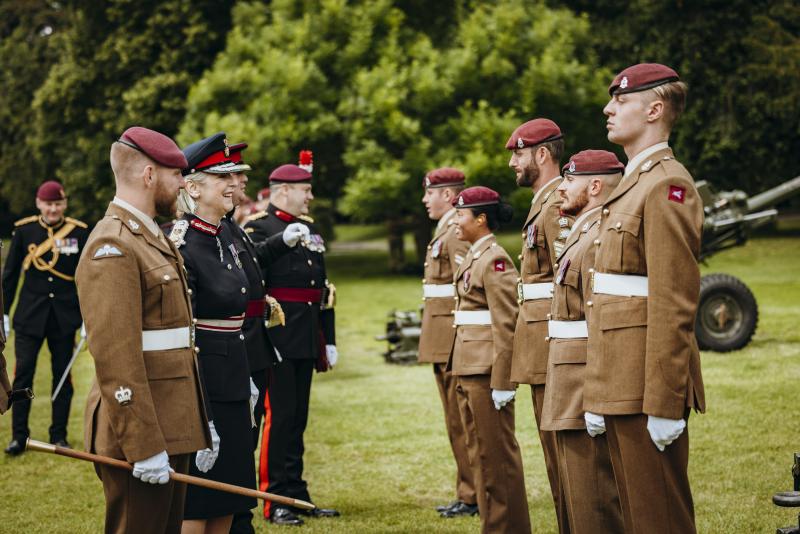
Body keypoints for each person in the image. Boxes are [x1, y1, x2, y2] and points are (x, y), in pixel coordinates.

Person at [583, 63, 705, 533]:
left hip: (644, 384)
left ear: (654, 110)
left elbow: (673, 299)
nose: (608, 109)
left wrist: (665, 400)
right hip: (619, 376)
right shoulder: (635, 182)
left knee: (659, 517)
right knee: (637, 514)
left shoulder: (666, 184)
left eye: (621, 101)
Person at [76, 126, 211, 534]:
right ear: (149, 175)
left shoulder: (152, 237)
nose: (183, 185)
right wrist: (144, 445)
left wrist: (198, 422)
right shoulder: (113, 245)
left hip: (172, 421)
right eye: (176, 175)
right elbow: (117, 359)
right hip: (140, 430)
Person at [244, 163, 339, 526]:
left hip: (306, 335)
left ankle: (297, 494)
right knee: (278, 419)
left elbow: (323, 289)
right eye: (305, 190)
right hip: (277, 337)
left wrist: (328, 338)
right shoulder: (258, 228)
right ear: (283, 190)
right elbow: (256, 285)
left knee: (298, 419)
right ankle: (274, 498)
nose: (310, 196)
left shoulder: (311, 229)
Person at [540, 150, 624, 533]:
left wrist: (597, 394)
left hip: (582, 380)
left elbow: (600, 323)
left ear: (594, 186)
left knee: (592, 497)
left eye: (569, 181)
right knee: (575, 492)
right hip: (566, 375)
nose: (561, 189)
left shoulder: (595, 239)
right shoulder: (581, 233)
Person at [450, 186, 531, 534]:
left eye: (461, 215)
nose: (454, 221)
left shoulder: (495, 260)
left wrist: (503, 381)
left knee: (496, 458)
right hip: (468, 367)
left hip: (485, 373)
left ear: (481, 219)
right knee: (480, 456)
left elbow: (507, 323)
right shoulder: (475, 255)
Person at [505, 118, 572, 532]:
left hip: (555, 342)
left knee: (567, 463)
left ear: (542, 154)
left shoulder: (557, 204)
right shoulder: (542, 202)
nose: (513, 162)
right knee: (555, 460)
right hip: (540, 342)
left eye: (519, 153)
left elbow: (572, 279)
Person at [2, 180, 89, 455]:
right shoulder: (24, 230)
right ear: (39, 203)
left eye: (57, 203)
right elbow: (10, 276)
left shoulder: (79, 232)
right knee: (22, 375)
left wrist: (88, 316)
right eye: (48, 204)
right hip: (29, 317)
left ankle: (59, 435)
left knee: (62, 377)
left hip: (64, 318)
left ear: (64, 204)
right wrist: (3, 314)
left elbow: (87, 278)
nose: (53, 209)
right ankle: (19, 437)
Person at [418, 167, 477, 518]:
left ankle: (473, 494)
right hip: (443, 338)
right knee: (456, 422)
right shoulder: (445, 228)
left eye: (430, 193)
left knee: (463, 422)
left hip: (454, 338)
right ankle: (466, 490)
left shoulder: (455, 231)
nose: (425, 200)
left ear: (447, 194)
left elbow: (465, 289)